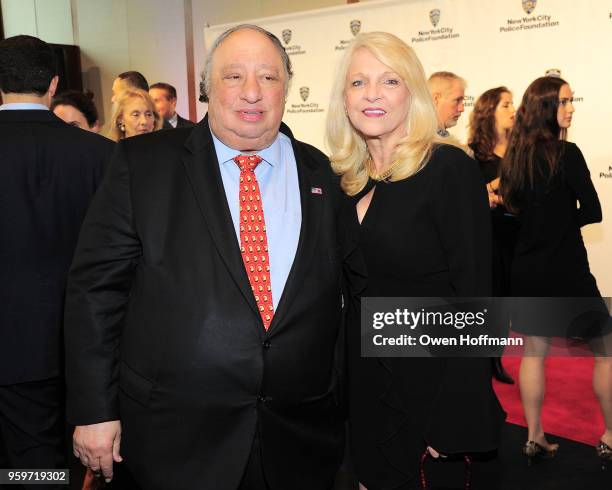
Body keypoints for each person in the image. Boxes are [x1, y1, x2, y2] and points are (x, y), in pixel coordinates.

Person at [64, 24, 345, 490]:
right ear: (206, 88)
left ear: (288, 87)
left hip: (297, 439)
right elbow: (95, 292)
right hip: (174, 442)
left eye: (269, 77)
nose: (252, 92)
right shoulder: (142, 165)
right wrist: (95, 411)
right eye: (234, 77)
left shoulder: (323, 173)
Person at [326, 32, 505, 490]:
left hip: (432, 382)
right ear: (343, 98)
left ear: (413, 93)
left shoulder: (448, 170)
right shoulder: (340, 179)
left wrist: (458, 411)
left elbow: (475, 295)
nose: (371, 94)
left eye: (389, 81)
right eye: (358, 82)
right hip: (364, 387)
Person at [0, 35, 114, 482]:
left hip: (10, 347)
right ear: (52, 85)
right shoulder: (101, 155)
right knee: (65, 463)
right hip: (81, 344)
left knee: (25, 465)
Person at [499, 76, 612, 466]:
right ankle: (611, 436)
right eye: (565, 101)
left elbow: (512, 214)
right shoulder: (568, 152)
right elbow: (594, 211)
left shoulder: (514, 158)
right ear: (547, 108)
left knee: (534, 352)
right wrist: (563, 223)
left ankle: (534, 437)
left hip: (528, 273)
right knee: (606, 352)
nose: (572, 107)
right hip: (568, 273)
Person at [468, 87, 518, 385]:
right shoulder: (472, 151)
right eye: (506, 105)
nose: (514, 109)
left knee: (506, 304)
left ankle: (496, 358)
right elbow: (471, 196)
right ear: (490, 111)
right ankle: (481, 360)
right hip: (487, 237)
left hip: (516, 235)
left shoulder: (520, 149)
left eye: (513, 104)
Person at [428, 71, 466, 137]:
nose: (462, 109)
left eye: (462, 101)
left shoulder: (441, 137)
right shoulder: (422, 141)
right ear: (436, 99)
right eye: (457, 100)